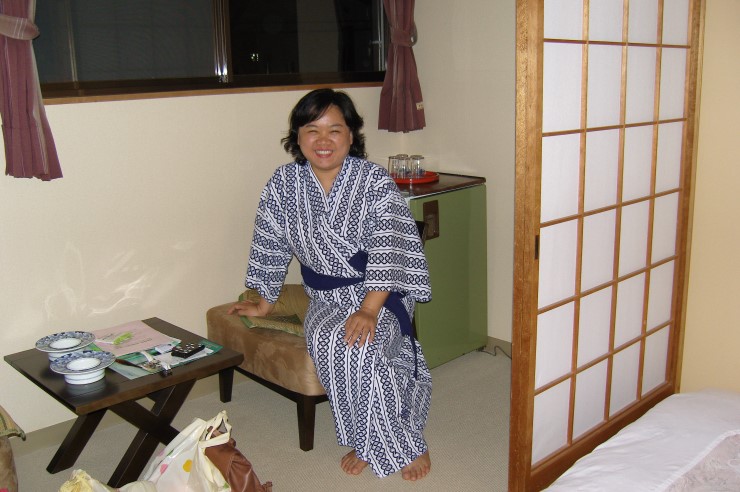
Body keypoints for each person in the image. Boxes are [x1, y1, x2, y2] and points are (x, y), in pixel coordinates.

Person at [227, 89, 432, 480]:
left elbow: (389, 247)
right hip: (325, 297)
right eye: (312, 129)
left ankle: (404, 443)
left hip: (380, 294)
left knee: (363, 344)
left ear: (351, 136)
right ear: (298, 136)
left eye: (335, 130)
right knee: (330, 341)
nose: (323, 140)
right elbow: (270, 243)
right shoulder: (283, 184)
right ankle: (369, 439)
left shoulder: (374, 181)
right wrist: (265, 301)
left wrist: (368, 310)